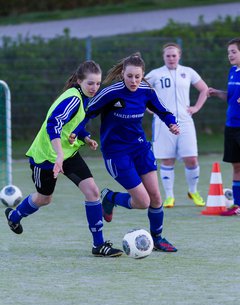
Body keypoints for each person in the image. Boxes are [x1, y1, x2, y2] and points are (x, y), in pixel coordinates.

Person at [4, 60, 123, 257]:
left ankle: (99, 245)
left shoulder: (85, 98)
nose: (94, 88)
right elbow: (54, 125)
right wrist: (58, 155)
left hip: (67, 153)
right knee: (44, 198)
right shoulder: (73, 98)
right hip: (46, 157)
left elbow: (73, 123)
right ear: (79, 81)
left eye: (98, 83)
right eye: (90, 83)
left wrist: (85, 138)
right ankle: (15, 216)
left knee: (93, 192)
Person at [70, 53, 180, 252]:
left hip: (140, 148)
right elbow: (87, 113)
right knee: (142, 202)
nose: (134, 81)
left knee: (155, 197)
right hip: (117, 153)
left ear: (143, 75)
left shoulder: (146, 91)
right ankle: (110, 197)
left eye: (138, 76)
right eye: (130, 76)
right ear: (123, 74)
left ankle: (157, 239)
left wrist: (171, 123)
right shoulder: (111, 93)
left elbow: (163, 111)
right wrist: (76, 132)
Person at [146, 42, 209, 208]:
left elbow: (204, 89)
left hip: (185, 121)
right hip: (163, 122)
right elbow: (139, 90)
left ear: (179, 56)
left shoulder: (187, 72)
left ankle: (193, 191)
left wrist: (196, 107)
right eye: (168, 55)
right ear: (163, 57)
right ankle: (169, 196)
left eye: (174, 55)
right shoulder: (156, 74)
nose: (171, 58)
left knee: (192, 159)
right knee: (167, 160)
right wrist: (149, 108)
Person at [208, 37, 240, 216]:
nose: (230, 55)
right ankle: (237, 206)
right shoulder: (233, 71)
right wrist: (216, 93)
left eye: (234, 51)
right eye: (229, 52)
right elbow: (232, 98)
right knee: (236, 166)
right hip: (231, 126)